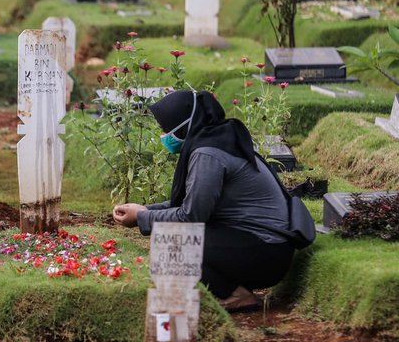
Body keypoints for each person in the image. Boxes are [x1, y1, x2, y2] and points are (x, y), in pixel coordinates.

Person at [112, 89, 296, 312]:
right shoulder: (216, 139)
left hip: (266, 252)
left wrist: (143, 217)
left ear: (183, 125)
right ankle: (235, 289)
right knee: (172, 235)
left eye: (165, 128)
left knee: (172, 243)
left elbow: (191, 216)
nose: (163, 135)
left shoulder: (207, 154)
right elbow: (190, 204)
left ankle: (237, 294)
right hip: (266, 247)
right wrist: (145, 210)